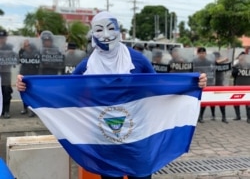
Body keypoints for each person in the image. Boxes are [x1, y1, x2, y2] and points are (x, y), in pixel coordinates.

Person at [16, 11, 207, 179]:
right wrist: (29, 87)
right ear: (93, 33)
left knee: (140, 175)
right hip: (105, 137)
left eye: (110, 28)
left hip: (138, 135)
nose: (106, 35)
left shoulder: (137, 60)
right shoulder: (87, 66)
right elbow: (67, 91)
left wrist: (193, 84)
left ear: (119, 31)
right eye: (99, 29)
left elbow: (158, 87)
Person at [192, 47, 226, 123]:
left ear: (205, 54)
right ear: (197, 54)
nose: (202, 54)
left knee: (214, 100)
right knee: (202, 101)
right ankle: (199, 117)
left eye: (203, 53)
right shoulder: (194, 62)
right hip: (199, 83)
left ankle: (220, 116)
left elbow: (213, 67)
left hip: (210, 82)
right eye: (200, 53)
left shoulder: (209, 62)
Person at [18, 39, 40, 117]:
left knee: (32, 92)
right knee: (24, 91)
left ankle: (32, 109)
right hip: (24, 73)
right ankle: (25, 108)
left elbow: (39, 60)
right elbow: (19, 58)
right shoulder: (22, 52)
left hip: (33, 73)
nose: (26, 47)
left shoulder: (35, 52)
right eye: (25, 45)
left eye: (27, 45)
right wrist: (22, 48)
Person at [209, 51, 229, 123]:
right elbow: (215, 62)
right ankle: (213, 115)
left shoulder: (222, 64)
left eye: (217, 56)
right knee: (212, 102)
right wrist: (224, 59)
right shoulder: (211, 63)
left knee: (222, 102)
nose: (217, 58)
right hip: (212, 84)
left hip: (220, 84)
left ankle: (224, 117)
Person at [0, 29, 15, 118]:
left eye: (3, 37)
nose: (1, 39)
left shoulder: (9, 47)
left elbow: (15, 58)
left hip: (6, 73)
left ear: (5, 38)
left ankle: (6, 110)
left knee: (6, 91)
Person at [231, 52, 250, 123]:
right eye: (240, 56)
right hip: (238, 85)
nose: (242, 58)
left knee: (248, 102)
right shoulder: (236, 65)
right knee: (236, 101)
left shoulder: (249, 65)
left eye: (243, 56)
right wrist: (236, 68)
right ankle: (238, 116)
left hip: (248, 86)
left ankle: (248, 117)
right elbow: (233, 75)